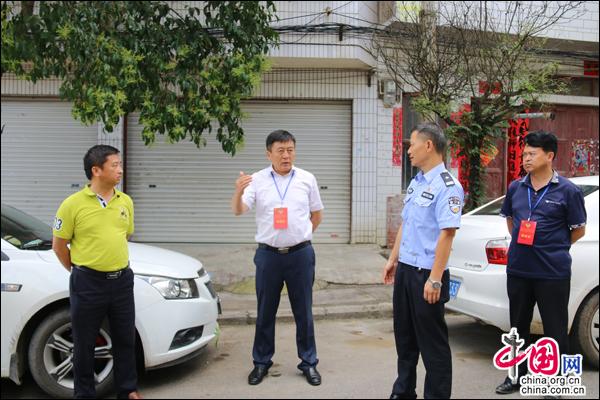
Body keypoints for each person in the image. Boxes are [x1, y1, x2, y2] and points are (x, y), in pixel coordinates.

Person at [495, 131, 586, 394]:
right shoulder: (516, 188)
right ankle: (516, 376)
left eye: (532, 154)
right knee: (517, 327)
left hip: (552, 273)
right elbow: (511, 221)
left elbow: (578, 230)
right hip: (519, 270)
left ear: (549, 156)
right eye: (524, 154)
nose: (526, 158)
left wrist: (553, 247)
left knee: (555, 329)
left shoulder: (568, 191)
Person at [231, 129, 324, 386]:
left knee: (304, 311)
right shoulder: (257, 180)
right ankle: (261, 362)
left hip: (300, 255)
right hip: (268, 256)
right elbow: (239, 210)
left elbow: (317, 214)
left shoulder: (307, 178)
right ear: (268, 153)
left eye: (290, 150)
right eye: (280, 151)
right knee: (265, 311)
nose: (286, 155)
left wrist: (301, 235)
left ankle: (309, 362)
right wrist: (238, 191)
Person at [52, 145, 141, 399]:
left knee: (125, 339)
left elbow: (125, 235)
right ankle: (84, 394)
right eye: (115, 165)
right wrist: (81, 270)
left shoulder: (125, 201)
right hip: (88, 282)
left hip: (122, 281)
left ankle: (128, 390)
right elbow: (59, 245)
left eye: (120, 164)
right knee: (84, 343)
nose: (120, 170)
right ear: (96, 170)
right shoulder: (72, 205)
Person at [382, 123, 464, 399]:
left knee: (432, 344)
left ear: (428, 145)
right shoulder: (416, 181)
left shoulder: (448, 187)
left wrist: (435, 279)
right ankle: (403, 391)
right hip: (406, 270)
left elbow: (447, 234)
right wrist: (393, 259)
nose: (408, 150)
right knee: (404, 337)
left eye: (412, 144)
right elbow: (407, 223)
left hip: (427, 274)